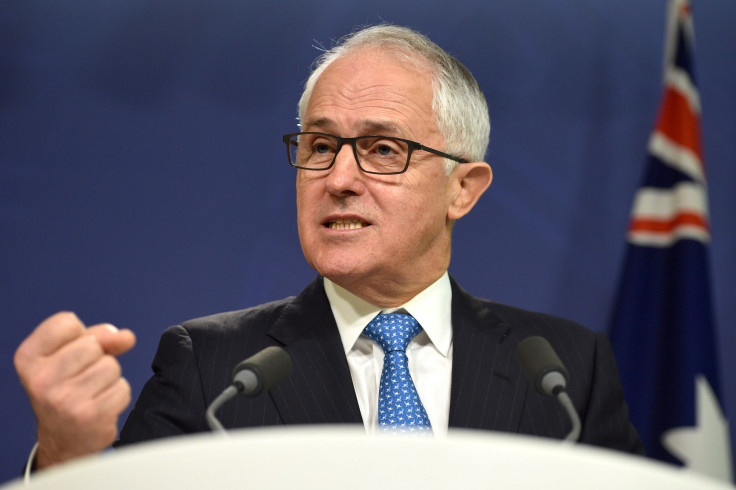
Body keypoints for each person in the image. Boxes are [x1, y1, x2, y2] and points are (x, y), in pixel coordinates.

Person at [14, 24, 643, 471]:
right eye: (319, 146)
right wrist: (68, 458)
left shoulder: (564, 370)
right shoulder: (212, 368)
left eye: (382, 150)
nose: (338, 179)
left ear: (464, 190)